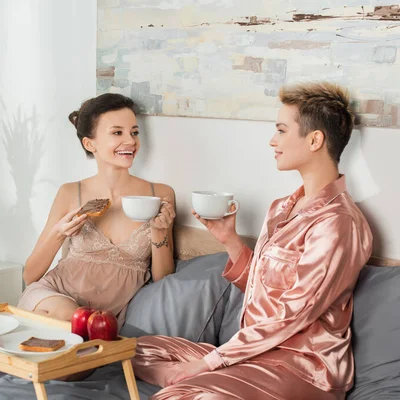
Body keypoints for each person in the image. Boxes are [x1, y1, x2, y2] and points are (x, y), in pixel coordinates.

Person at [131, 82, 373, 399]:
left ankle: (189, 385)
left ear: (315, 140)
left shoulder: (338, 223)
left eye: (282, 131)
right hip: (253, 354)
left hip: (301, 368)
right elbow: (266, 289)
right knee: (129, 350)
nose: (273, 141)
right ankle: (183, 379)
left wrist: (207, 362)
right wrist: (229, 240)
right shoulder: (280, 209)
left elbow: (293, 315)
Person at [17, 93, 176, 328]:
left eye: (134, 132)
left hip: (106, 318)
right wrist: (59, 233)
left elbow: (163, 280)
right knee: (70, 319)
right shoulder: (71, 193)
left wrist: (159, 232)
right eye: (117, 132)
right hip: (55, 298)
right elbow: (30, 276)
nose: (130, 141)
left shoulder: (159, 195)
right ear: (90, 144)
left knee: (79, 333)